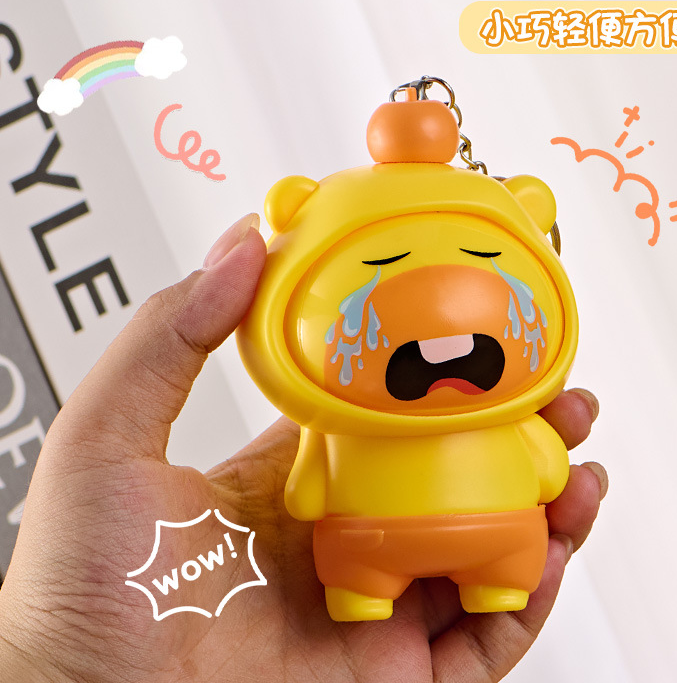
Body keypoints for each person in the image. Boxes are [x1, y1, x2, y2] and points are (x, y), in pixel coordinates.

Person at [0, 214, 607, 683]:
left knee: (466, 576)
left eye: (482, 261)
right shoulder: (330, 431)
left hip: (432, 536)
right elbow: (548, 472)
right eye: (383, 265)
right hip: (385, 539)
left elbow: (306, 491)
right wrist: (51, 662)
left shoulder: (347, 431)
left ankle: (448, 586)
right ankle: (389, 592)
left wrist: (49, 666)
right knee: (382, 581)